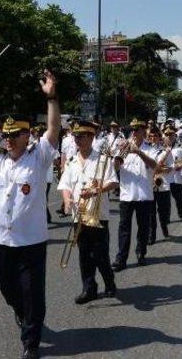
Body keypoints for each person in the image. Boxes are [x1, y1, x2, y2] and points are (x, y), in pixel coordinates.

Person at [0, 70, 59, 359]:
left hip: (31, 242)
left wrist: (51, 96)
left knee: (33, 293)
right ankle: (22, 313)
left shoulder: (39, 157)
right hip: (4, 240)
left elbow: (53, 129)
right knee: (6, 286)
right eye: (6, 135)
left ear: (27, 135)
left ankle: (31, 341)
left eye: (15, 135)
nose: (9, 140)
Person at [58, 120, 118, 304]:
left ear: (92, 137)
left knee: (100, 255)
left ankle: (109, 281)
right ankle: (88, 288)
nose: (77, 139)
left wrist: (97, 189)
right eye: (75, 136)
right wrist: (67, 199)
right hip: (80, 215)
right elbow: (65, 185)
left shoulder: (103, 159)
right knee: (84, 254)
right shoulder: (72, 160)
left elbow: (113, 182)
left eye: (81, 136)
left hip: (98, 215)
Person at [111, 118, 157, 272]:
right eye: (133, 130)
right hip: (126, 194)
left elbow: (154, 165)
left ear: (144, 132)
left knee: (143, 227)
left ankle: (141, 253)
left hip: (144, 195)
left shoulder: (150, 148)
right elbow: (115, 167)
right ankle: (121, 258)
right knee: (124, 228)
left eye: (138, 130)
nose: (135, 133)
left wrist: (139, 152)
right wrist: (120, 154)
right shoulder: (123, 147)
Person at [148, 126, 173, 243]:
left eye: (155, 136)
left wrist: (160, 170)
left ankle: (164, 227)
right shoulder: (146, 151)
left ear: (159, 138)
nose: (153, 138)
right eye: (151, 136)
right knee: (151, 213)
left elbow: (171, 168)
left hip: (162, 185)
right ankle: (152, 236)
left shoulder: (165, 152)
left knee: (163, 212)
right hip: (150, 185)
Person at [167, 127, 182, 219]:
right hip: (165, 178)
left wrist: (181, 165)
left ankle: (180, 209)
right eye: (167, 135)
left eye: (171, 135)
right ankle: (166, 217)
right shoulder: (161, 147)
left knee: (178, 197)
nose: (169, 137)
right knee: (165, 200)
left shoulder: (180, 147)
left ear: (174, 136)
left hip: (176, 177)